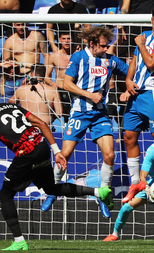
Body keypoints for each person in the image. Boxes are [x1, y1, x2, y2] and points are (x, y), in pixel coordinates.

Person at [0, 85, 111, 250]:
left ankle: (19, 241)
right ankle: (98, 192)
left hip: (26, 151)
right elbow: (41, 123)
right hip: (41, 145)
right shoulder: (12, 106)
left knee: (5, 194)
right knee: (51, 188)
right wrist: (57, 152)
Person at [40, 26, 129, 212]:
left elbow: (130, 70)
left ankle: (104, 195)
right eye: (103, 46)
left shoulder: (110, 61)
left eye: (107, 46)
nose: (106, 49)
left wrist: (128, 86)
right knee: (64, 156)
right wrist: (89, 95)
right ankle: (52, 191)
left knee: (110, 155)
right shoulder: (79, 57)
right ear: (92, 43)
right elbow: (66, 83)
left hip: (100, 114)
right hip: (79, 112)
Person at [120, 6, 154, 205]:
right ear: (151, 20)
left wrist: (142, 45)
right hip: (135, 92)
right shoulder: (143, 36)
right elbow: (135, 60)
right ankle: (136, 183)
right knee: (128, 136)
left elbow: (151, 63)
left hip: (152, 92)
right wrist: (127, 80)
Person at [45, 32, 73, 123]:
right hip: (60, 89)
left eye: (68, 38)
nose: (66, 41)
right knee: (52, 116)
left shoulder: (77, 55)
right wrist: (53, 84)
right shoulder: (54, 56)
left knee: (70, 119)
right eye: (64, 39)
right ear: (60, 40)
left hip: (73, 89)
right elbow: (47, 77)